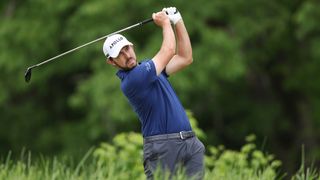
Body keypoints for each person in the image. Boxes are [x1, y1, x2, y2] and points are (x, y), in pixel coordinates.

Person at [102, 7, 205, 179]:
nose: (126, 55)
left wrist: (177, 20)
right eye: (119, 54)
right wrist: (165, 23)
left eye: (126, 48)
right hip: (162, 147)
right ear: (112, 62)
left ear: (132, 46)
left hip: (189, 142)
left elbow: (185, 57)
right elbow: (169, 50)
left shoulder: (150, 69)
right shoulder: (133, 80)